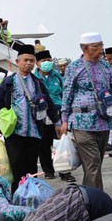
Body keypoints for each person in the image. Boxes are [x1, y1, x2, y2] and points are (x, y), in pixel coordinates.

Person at [58, 33, 112, 191]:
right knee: (93, 164)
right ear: (84, 48)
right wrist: (64, 119)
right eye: (97, 46)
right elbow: (67, 93)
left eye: (101, 45)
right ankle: (97, 203)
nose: (101, 49)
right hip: (81, 122)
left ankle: (87, 198)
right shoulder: (74, 68)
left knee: (94, 166)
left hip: (103, 121)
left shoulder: (105, 66)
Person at [0, 44, 61, 192]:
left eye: (31, 60)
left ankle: (31, 196)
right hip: (14, 132)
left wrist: (57, 122)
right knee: (17, 165)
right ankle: (17, 197)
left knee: (32, 167)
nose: (28, 63)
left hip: (34, 131)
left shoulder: (38, 82)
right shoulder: (8, 82)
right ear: (18, 62)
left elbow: (48, 102)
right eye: (25, 60)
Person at [32, 50, 73, 182]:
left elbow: (65, 94)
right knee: (43, 145)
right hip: (42, 114)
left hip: (58, 112)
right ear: (37, 64)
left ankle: (65, 172)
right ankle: (48, 170)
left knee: (61, 143)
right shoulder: (34, 79)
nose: (47, 63)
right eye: (44, 61)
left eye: (49, 60)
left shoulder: (57, 76)